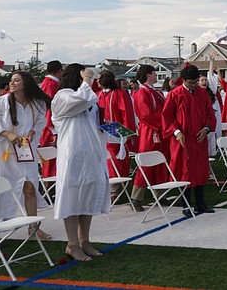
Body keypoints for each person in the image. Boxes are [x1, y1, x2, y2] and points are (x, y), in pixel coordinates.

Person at [51, 65, 110, 262]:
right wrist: (86, 81)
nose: (89, 79)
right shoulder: (62, 96)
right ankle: (72, 244)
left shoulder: (86, 96)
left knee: (87, 196)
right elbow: (82, 100)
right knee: (72, 197)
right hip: (73, 155)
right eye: (84, 75)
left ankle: (85, 240)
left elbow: (91, 114)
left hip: (90, 153)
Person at [0, 72, 51, 239]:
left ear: (26, 83)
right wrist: (7, 133)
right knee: (2, 189)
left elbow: (41, 122)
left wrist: (33, 132)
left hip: (26, 151)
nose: (12, 83)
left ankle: (33, 227)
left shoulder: (38, 103)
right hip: (6, 153)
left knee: (30, 187)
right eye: (11, 80)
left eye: (16, 80)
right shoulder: (2, 102)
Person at [161, 65, 217, 215]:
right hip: (183, 139)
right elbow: (167, 117)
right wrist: (176, 132)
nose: (194, 85)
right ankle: (185, 204)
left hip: (199, 139)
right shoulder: (175, 94)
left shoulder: (202, 94)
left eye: (196, 82)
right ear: (183, 80)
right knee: (185, 171)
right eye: (191, 82)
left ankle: (200, 203)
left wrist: (206, 128)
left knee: (199, 170)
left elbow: (210, 114)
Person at [130, 64, 167, 211]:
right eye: (154, 73)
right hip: (150, 132)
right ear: (148, 75)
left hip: (159, 131)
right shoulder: (142, 93)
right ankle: (136, 198)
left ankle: (159, 193)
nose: (157, 75)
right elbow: (145, 115)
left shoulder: (155, 92)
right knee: (146, 164)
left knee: (160, 163)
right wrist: (165, 118)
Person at [97, 70, 137, 201]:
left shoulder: (119, 94)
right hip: (101, 134)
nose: (96, 81)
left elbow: (127, 113)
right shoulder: (97, 95)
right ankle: (103, 189)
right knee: (103, 160)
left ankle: (114, 191)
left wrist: (128, 131)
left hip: (116, 133)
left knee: (115, 161)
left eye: (99, 79)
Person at [38, 60, 63, 179]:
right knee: (50, 157)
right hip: (50, 127)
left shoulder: (47, 83)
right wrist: (54, 130)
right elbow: (51, 109)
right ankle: (49, 184)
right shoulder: (51, 84)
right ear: (59, 71)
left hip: (49, 126)